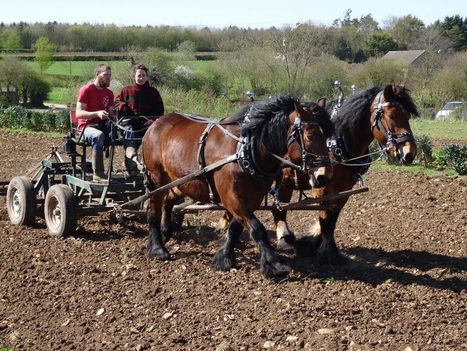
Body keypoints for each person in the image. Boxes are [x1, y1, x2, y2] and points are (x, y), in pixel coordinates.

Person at [115, 63, 164, 176]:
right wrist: (122, 105)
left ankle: (154, 165)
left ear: (146, 76)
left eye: (143, 75)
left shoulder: (153, 92)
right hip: (129, 123)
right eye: (139, 76)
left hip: (147, 124)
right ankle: (132, 162)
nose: (141, 78)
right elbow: (116, 103)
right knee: (130, 132)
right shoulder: (126, 90)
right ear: (134, 76)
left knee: (156, 136)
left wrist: (153, 120)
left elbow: (160, 111)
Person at [75, 64, 114, 183]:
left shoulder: (109, 93)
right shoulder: (86, 90)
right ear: (97, 74)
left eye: (110, 75)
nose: (109, 78)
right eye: (106, 75)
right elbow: (78, 114)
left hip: (103, 125)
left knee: (128, 134)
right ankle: (98, 174)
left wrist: (114, 117)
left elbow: (112, 114)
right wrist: (96, 114)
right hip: (86, 127)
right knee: (98, 136)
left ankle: (133, 169)